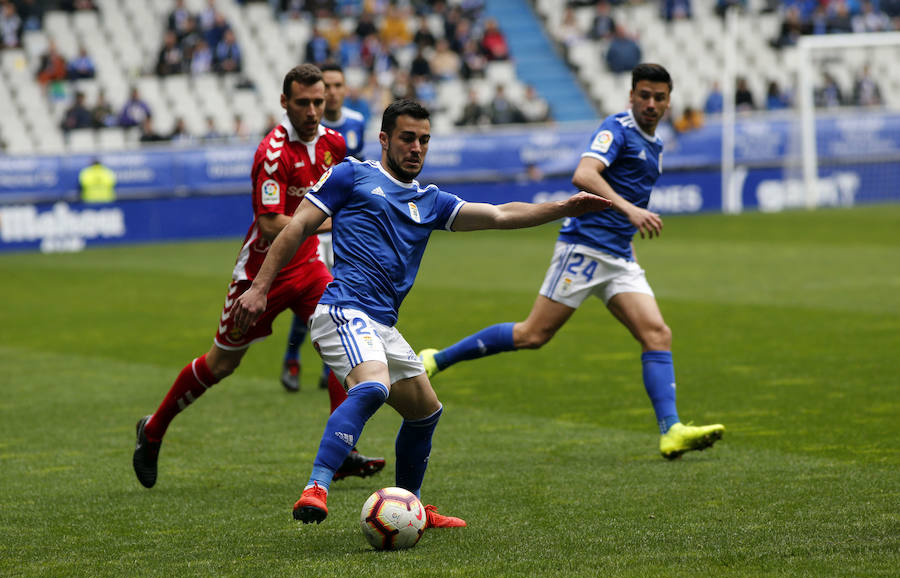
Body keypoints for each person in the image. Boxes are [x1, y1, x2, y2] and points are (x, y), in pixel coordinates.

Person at [231, 98, 612, 526]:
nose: (416, 148)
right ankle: (316, 486)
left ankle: (411, 507)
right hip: (343, 310)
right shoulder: (351, 175)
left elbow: (501, 214)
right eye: (407, 138)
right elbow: (297, 226)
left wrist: (563, 207)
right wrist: (259, 287)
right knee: (373, 386)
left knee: (426, 411)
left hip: (382, 324)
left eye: (424, 140)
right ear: (384, 139)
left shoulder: (430, 201)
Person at [418, 64, 725, 461]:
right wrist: (630, 210)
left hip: (617, 256)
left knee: (657, 334)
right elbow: (584, 173)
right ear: (631, 96)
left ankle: (671, 431)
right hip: (582, 250)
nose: (651, 103)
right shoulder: (617, 129)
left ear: (669, 101)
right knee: (533, 335)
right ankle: (436, 359)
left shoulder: (655, 144)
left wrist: (625, 233)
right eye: (644, 95)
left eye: (659, 97)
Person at [132, 64, 385, 490]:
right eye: (302, 103)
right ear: (284, 103)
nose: (311, 110)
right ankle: (153, 430)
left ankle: (341, 451)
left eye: (318, 102)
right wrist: (332, 223)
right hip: (258, 277)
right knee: (222, 364)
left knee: (346, 342)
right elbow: (270, 225)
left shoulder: (334, 143)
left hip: (308, 267)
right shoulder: (272, 152)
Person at [281, 63, 367, 393]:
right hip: (308, 225)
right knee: (310, 293)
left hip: (340, 225)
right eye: (326, 85)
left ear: (345, 89)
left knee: (336, 294)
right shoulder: (298, 130)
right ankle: (292, 356)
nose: (331, 92)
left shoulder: (356, 123)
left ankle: (327, 365)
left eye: (337, 85)